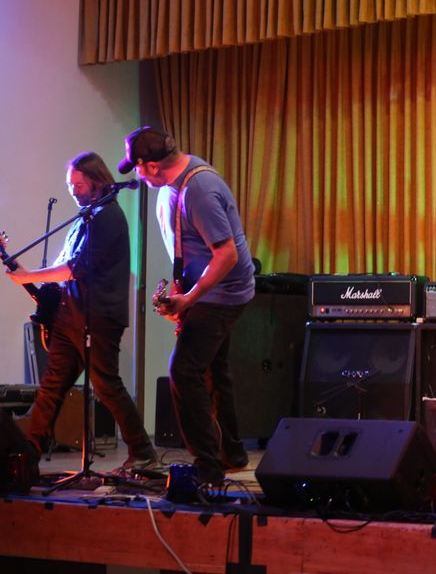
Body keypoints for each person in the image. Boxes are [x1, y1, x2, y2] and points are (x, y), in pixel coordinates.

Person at [4, 152, 160, 471]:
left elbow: (75, 268)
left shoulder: (108, 217)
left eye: (78, 184)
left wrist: (28, 276)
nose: (73, 191)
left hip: (98, 318)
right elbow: (62, 270)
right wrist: (20, 269)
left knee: (106, 385)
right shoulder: (85, 218)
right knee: (51, 388)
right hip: (70, 316)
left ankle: (143, 452)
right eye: (69, 185)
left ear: (98, 181)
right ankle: (26, 458)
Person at [119, 126, 256, 485]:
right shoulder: (174, 183)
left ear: (151, 166)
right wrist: (181, 295)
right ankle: (232, 454)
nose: (137, 175)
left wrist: (190, 298)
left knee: (183, 371)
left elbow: (226, 255)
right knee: (213, 370)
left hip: (223, 293)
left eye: (137, 168)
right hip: (207, 291)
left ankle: (208, 468)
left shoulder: (200, 190)